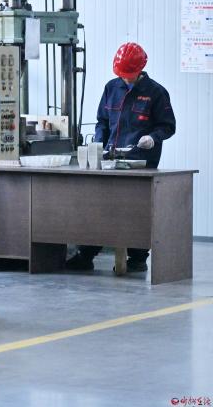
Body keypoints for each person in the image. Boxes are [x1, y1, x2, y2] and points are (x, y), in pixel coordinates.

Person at [66, 42, 176, 273]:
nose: (125, 79)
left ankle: (138, 258)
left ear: (140, 69)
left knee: (136, 210)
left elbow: (167, 126)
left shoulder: (156, 93)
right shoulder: (111, 88)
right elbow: (102, 121)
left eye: (129, 74)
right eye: (122, 74)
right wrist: (99, 144)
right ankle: (86, 255)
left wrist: (153, 138)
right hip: (110, 160)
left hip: (141, 163)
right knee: (99, 207)